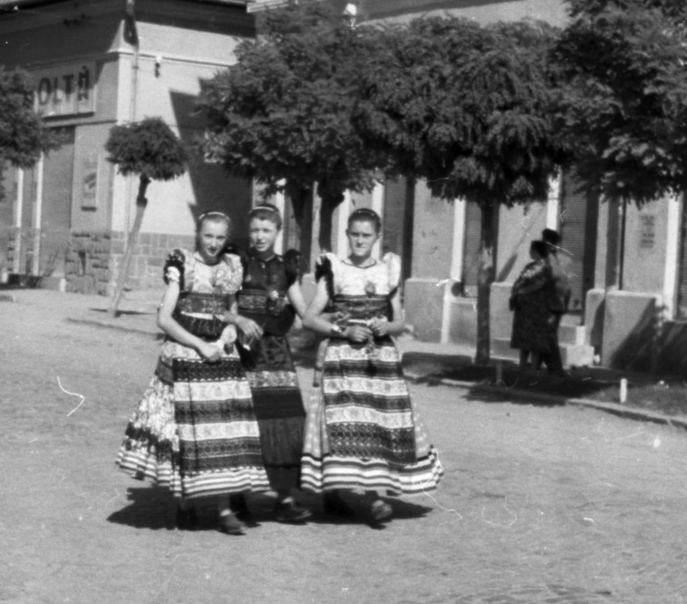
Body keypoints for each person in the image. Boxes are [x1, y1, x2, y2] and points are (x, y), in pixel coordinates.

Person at [117, 212, 266, 535]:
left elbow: (229, 309)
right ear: (198, 234)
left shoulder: (231, 267)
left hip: (221, 356)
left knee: (223, 430)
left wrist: (229, 332)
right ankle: (186, 504)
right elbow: (165, 318)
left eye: (220, 238)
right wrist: (200, 344)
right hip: (187, 354)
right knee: (188, 432)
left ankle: (225, 509)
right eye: (208, 236)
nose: (213, 243)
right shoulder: (182, 265)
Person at [299, 208, 443, 525]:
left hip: (380, 361)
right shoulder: (334, 270)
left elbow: (401, 320)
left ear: (376, 238)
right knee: (346, 425)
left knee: (377, 426)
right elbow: (310, 318)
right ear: (347, 235)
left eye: (366, 235)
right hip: (343, 360)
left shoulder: (387, 272)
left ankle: (367, 494)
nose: (360, 240)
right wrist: (343, 330)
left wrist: (386, 327)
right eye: (355, 234)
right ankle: (350, 494)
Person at [231, 205, 311, 523]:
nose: (260, 236)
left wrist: (339, 319)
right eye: (255, 230)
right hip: (245, 355)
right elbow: (225, 304)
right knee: (246, 422)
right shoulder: (238, 263)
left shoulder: (286, 268)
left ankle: (284, 499)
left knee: (286, 422)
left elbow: (306, 315)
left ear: (278, 232)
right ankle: (238, 497)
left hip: (277, 356)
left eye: (266, 230)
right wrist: (238, 319)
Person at [508, 240, 557, 371]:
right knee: (523, 340)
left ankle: (534, 369)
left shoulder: (546, 268)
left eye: (531, 250)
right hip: (523, 308)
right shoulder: (529, 266)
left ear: (536, 251)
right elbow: (520, 280)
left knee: (535, 342)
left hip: (536, 309)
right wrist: (514, 292)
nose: (529, 252)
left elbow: (539, 284)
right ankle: (522, 366)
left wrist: (521, 291)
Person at [540, 227, 575, 374]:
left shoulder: (546, 261)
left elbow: (565, 285)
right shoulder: (565, 260)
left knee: (549, 336)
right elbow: (568, 287)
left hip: (550, 304)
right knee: (545, 336)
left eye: (546, 241)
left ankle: (557, 368)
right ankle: (548, 366)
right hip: (557, 303)